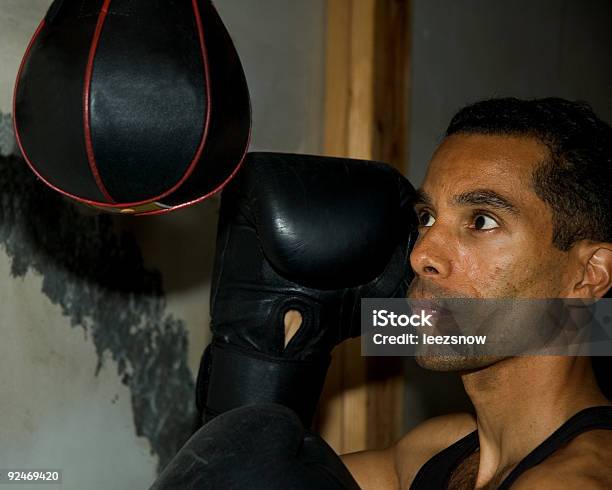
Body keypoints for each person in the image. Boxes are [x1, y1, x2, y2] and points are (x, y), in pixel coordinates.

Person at [152, 98, 612, 490]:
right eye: (426, 218)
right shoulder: (434, 452)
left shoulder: (579, 478)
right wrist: (280, 344)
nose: (422, 254)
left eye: (481, 221)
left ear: (590, 274)